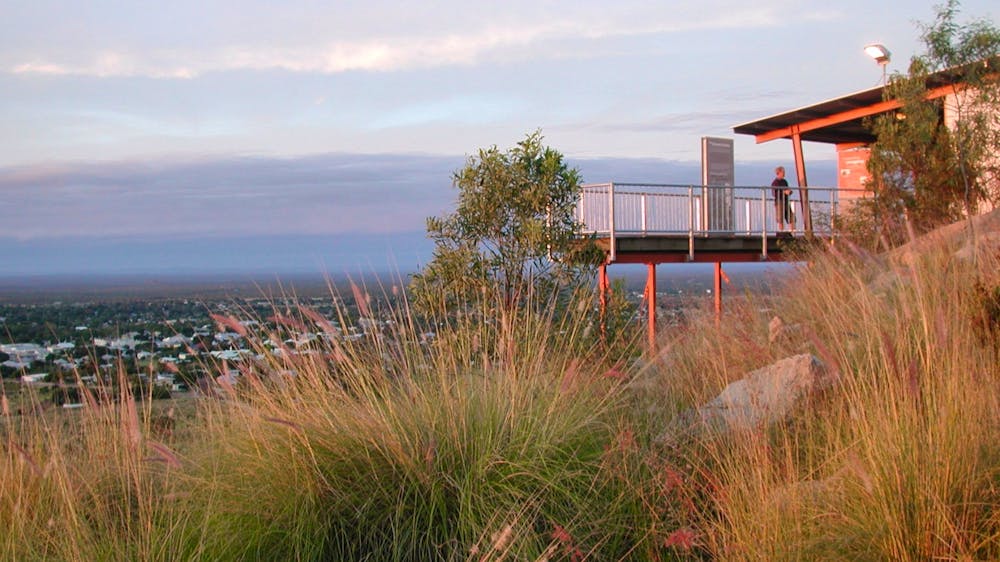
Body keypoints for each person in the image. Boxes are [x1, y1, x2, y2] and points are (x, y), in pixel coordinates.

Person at [771, 166, 794, 231]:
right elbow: (774, 193)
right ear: (779, 173)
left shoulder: (785, 181)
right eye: (783, 172)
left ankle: (792, 232)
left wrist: (790, 191)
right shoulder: (775, 183)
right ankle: (781, 232)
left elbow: (788, 189)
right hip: (779, 202)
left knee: (791, 217)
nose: (784, 173)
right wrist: (784, 192)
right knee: (780, 219)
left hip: (786, 201)